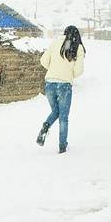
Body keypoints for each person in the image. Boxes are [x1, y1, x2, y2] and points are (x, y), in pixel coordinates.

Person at [36, 25, 85, 153]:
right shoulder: (78, 47)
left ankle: (46, 126)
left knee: (56, 111)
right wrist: (68, 74)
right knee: (63, 117)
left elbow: (43, 61)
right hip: (64, 85)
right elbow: (79, 70)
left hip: (49, 83)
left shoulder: (55, 43)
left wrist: (54, 71)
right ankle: (62, 146)